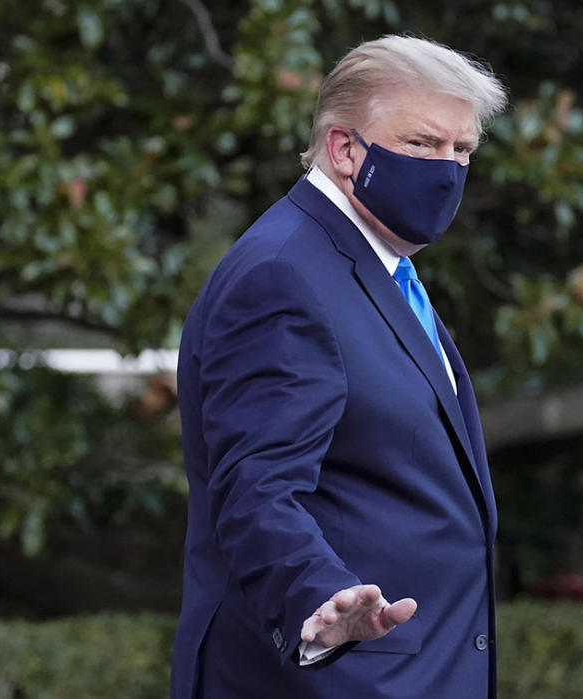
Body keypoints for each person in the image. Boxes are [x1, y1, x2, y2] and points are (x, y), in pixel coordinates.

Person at [171, 35, 507, 698]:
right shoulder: (283, 276)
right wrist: (318, 597)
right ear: (345, 150)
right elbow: (257, 488)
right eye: (422, 143)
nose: (447, 167)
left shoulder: (376, 266)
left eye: (462, 149)